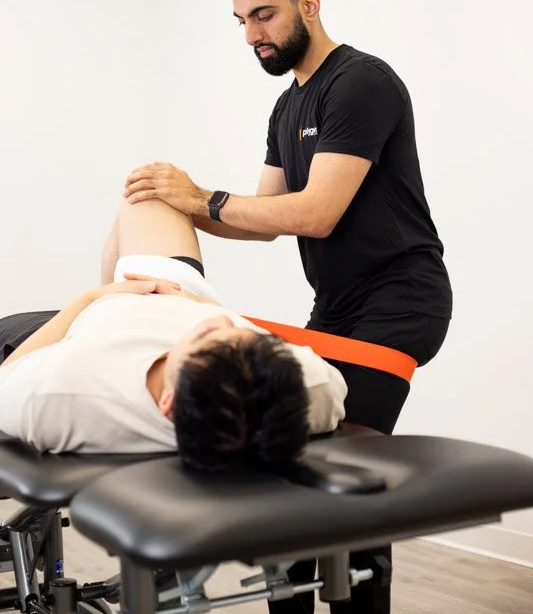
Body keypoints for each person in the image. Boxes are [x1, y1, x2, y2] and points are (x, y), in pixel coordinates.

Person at [120, 0, 453, 614]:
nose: (252, 35)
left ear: (310, 2)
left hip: (398, 301)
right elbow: (266, 218)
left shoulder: (360, 82)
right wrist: (178, 204)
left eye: (264, 15)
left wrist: (202, 197)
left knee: (337, 469)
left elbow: (317, 214)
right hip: (334, 308)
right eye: (241, 20)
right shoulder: (286, 107)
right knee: (287, 459)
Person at [0, 197, 347, 467]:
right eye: (240, 332)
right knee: (151, 193)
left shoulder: (61, 392)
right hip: (173, 294)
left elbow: (7, 380)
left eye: (202, 337)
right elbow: (331, 383)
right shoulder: (307, 388)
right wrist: (197, 304)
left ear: (168, 403)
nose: (220, 321)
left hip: (92, 321)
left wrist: (90, 299)